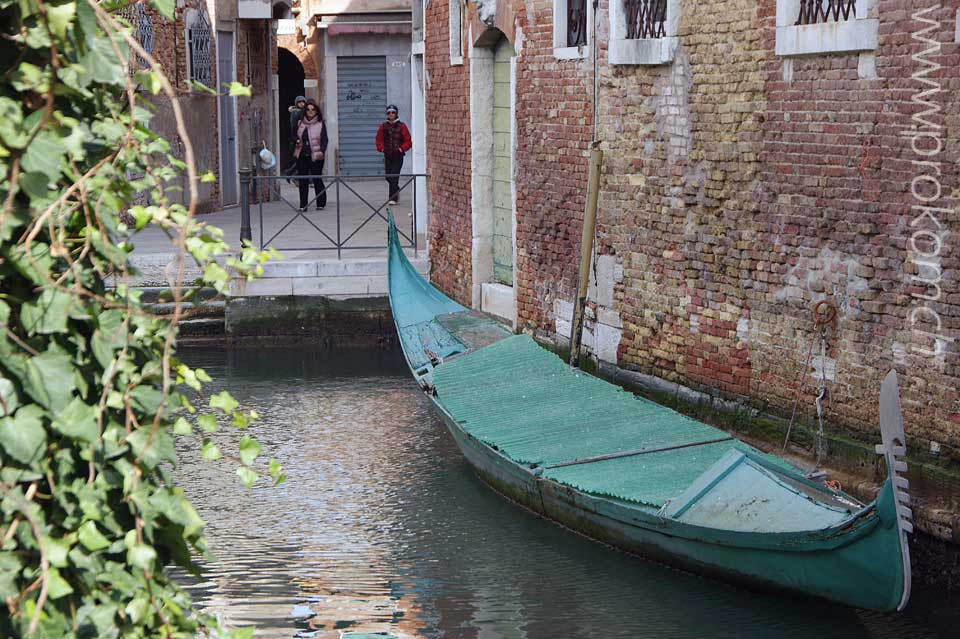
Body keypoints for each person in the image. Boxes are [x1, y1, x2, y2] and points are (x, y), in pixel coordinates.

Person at [293, 99, 328, 211]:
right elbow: (293, 135)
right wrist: (296, 141)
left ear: (316, 111)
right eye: (308, 109)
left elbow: (324, 140)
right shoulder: (300, 123)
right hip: (302, 154)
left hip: (316, 156)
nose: (310, 112)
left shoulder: (320, 124)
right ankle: (303, 205)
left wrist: (321, 151)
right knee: (303, 180)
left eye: (313, 109)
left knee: (317, 179)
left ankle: (321, 203)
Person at [375, 104, 412, 205]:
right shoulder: (383, 126)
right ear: (387, 114)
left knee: (394, 176)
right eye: (389, 112)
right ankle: (396, 190)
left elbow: (408, 140)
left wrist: (401, 149)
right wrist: (381, 148)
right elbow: (379, 139)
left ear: (396, 114)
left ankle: (393, 198)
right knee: (388, 176)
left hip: (398, 155)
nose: (391, 114)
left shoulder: (402, 126)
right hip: (387, 155)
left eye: (393, 112)